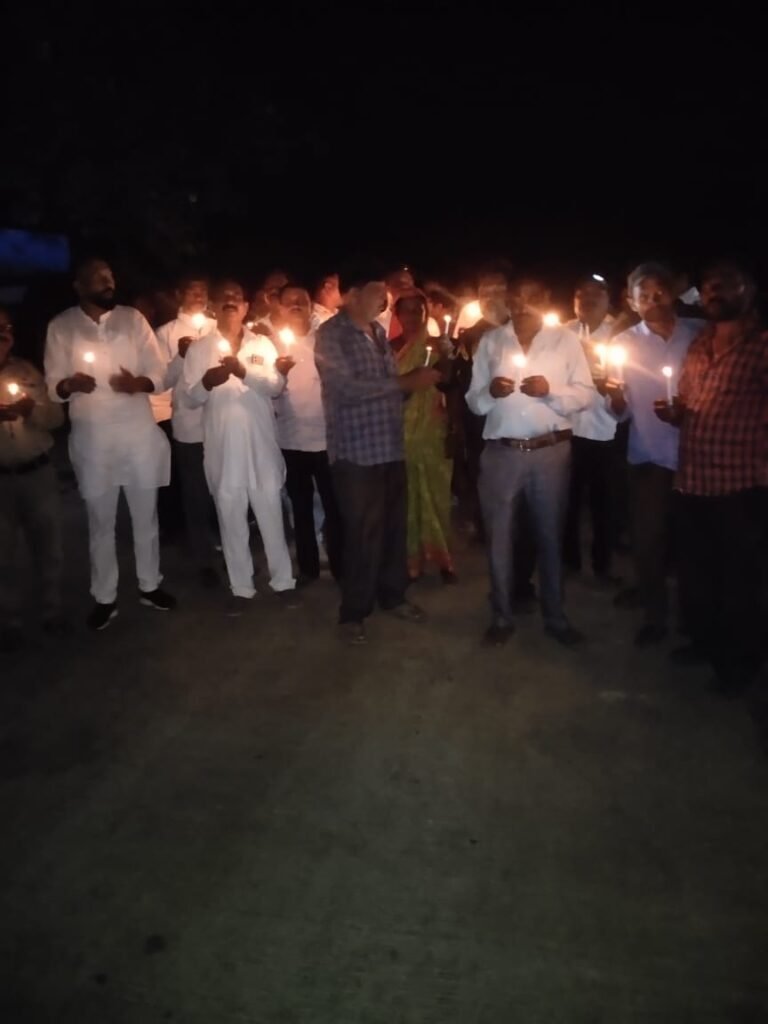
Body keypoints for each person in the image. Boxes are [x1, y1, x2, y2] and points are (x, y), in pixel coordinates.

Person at [44, 258, 176, 630]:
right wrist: (69, 386)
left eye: (111, 276)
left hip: (136, 436)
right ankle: (105, 596)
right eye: (99, 278)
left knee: (144, 517)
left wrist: (141, 383)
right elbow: (52, 384)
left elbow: (159, 369)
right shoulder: (62, 326)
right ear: (79, 285)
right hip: (94, 441)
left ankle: (150, 585)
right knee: (101, 523)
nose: (108, 282)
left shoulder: (132, 319)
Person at [315, 262, 440, 645]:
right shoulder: (331, 334)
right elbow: (345, 389)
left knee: (392, 529)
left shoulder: (377, 331)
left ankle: (393, 595)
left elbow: (390, 389)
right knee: (360, 534)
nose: (384, 298)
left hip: (389, 445)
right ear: (351, 295)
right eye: (375, 291)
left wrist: (422, 379)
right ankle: (352, 614)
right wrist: (404, 381)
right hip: (356, 453)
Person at [656, 262, 767, 694]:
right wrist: (677, 412)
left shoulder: (761, 346)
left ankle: (740, 664)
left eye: (726, 285)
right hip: (693, 480)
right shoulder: (702, 342)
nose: (715, 292)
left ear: (749, 291)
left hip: (741, 486)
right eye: (708, 287)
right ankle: (705, 642)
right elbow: (687, 397)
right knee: (699, 574)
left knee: (740, 581)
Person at [467, 277, 594, 647]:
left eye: (532, 298)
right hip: (502, 453)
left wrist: (550, 392)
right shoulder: (492, 341)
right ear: (507, 302)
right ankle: (502, 615)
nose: (522, 305)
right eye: (516, 299)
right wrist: (490, 393)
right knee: (499, 539)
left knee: (550, 536)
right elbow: (473, 400)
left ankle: (555, 616)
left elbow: (585, 395)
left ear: (545, 300)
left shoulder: (565, 341)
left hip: (550, 452)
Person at [184, 279, 297, 614]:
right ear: (214, 307)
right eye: (224, 297)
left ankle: (283, 582)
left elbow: (276, 385)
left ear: (247, 306)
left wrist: (244, 372)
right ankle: (241, 587)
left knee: (271, 515)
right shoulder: (199, 349)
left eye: (237, 296)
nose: (231, 300)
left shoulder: (262, 343)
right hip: (223, 448)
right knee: (230, 517)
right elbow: (189, 397)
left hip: (261, 444)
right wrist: (208, 381)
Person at [606, 263, 702, 646]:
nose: (652, 301)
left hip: (696, 457)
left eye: (658, 292)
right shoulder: (623, 344)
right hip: (647, 457)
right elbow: (620, 412)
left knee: (694, 544)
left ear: (672, 293)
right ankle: (655, 616)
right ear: (631, 302)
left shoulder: (697, 334)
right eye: (642, 296)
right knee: (648, 543)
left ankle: (694, 620)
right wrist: (613, 398)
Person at [0, 307, 66, 650]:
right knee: (3, 556)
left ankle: (51, 611)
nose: (3, 333)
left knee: (48, 547)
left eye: (7, 327)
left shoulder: (26, 370)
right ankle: (8, 620)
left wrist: (33, 411)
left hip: (37, 472)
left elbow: (55, 417)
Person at [273, 285, 343, 583]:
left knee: (335, 507)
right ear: (279, 307)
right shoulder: (271, 346)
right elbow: (267, 392)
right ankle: (309, 567)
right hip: (290, 440)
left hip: (327, 439)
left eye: (302, 300)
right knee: (300, 508)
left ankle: (342, 566)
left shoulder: (324, 342)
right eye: (290, 302)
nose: (297, 305)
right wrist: (278, 374)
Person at [154, 275, 220, 587]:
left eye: (203, 290)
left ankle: (230, 549)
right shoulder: (166, 333)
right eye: (192, 290)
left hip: (222, 423)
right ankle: (203, 559)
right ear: (179, 294)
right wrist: (181, 358)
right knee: (195, 494)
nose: (199, 295)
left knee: (225, 490)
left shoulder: (217, 329)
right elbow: (161, 381)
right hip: (190, 425)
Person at [391, 292, 456, 582]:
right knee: (407, 499)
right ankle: (411, 561)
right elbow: (386, 390)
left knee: (436, 496)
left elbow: (449, 383)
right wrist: (407, 384)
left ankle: (443, 560)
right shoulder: (388, 348)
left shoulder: (435, 345)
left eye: (418, 310)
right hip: (399, 433)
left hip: (431, 431)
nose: (413, 316)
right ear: (397, 315)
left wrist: (448, 356)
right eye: (406, 311)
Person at [563, 277, 619, 586]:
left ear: (608, 299)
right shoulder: (563, 333)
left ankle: (602, 565)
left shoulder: (619, 334)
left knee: (604, 504)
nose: (587, 298)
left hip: (606, 430)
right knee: (566, 500)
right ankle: (569, 560)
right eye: (581, 293)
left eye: (596, 294)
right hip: (569, 429)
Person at [250, 269, 289, 336]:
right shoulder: (257, 330)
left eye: (279, 288)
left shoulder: (304, 323)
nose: (273, 291)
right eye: (269, 288)